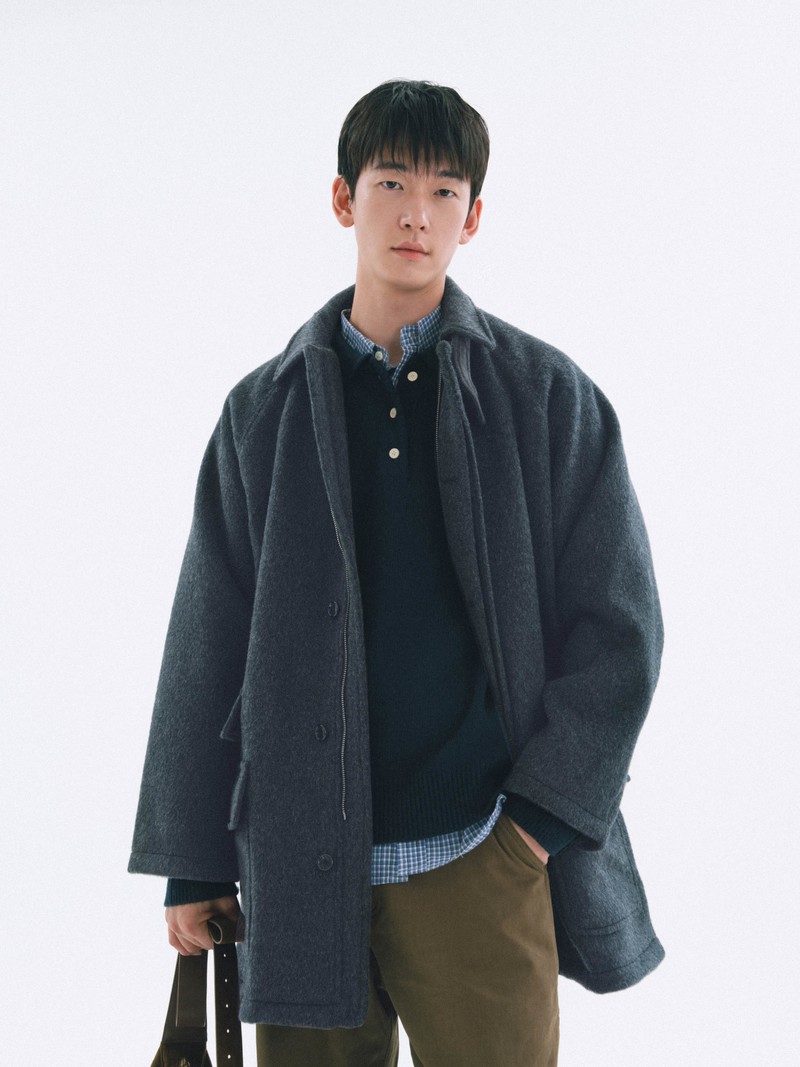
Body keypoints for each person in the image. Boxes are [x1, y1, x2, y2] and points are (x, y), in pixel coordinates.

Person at [129, 79, 665, 1067]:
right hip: (297, 866)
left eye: (443, 190)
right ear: (344, 199)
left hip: (478, 854)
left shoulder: (545, 397)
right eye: (391, 184)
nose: (416, 213)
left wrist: (536, 824)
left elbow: (620, 628)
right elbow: (207, 639)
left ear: (473, 215)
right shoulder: (262, 414)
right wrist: (191, 859)